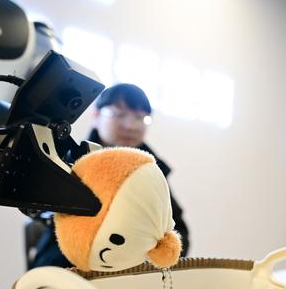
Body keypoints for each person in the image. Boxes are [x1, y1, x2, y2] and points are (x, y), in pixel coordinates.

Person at [30, 83, 190, 268]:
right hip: (68, 263)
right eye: (119, 115)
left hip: (131, 271)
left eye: (140, 117)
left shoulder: (153, 170)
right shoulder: (70, 161)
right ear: (96, 116)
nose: (131, 125)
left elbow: (178, 230)